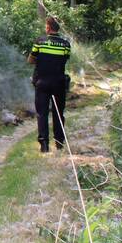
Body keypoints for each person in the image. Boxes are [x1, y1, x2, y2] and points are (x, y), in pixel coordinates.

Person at [27, 16, 71, 153]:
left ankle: (44, 146)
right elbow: (64, 60)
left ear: (48, 27)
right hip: (59, 83)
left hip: (42, 82)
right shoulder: (66, 44)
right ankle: (59, 143)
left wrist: (42, 61)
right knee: (59, 113)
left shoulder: (40, 42)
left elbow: (30, 60)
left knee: (42, 114)